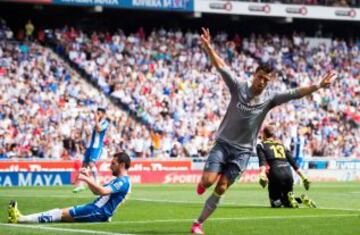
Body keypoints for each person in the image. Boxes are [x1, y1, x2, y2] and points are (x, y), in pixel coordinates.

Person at [191, 28, 336, 234]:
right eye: (260, 77)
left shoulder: (270, 98)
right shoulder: (238, 87)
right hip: (223, 144)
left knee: (221, 187)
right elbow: (221, 67)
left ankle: (198, 224)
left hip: (242, 152)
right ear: (254, 75)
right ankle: (202, 184)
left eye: (266, 80)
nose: (262, 82)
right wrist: (208, 47)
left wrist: (318, 86)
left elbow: (295, 93)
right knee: (207, 181)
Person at [8, 152, 131, 223]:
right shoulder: (120, 181)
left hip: (97, 211)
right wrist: (87, 178)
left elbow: (103, 191)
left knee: (59, 213)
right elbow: (97, 192)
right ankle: (21, 218)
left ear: (122, 165)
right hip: (96, 210)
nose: (110, 166)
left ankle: (20, 219)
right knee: (60, 213)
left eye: (113, 164)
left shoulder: (123, 181)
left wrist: (85, 179)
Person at [256, 125, 316, 208]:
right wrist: (303, 177)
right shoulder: (282, 145)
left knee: (275, 203)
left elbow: (262, 161)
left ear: (264, 134)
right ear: (273, 135)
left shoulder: (261, 145)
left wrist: (262, 174)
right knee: (288, 203)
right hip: (288, 174)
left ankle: (288, 199)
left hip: (275, 174)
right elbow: (294, 163)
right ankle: (300, 199)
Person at [73, 107, 110, 193]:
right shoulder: (95, 122)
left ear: (103, 115)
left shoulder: (105, 122)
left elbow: (99, 129)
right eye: (96, 113)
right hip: (90, 145)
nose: (96, 115)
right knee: (84, 164)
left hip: (97, 147)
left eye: (98, 113)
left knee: (91, 163)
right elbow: (90, 134)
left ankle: (97, 183)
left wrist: (96, 120)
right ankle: (81, 185)